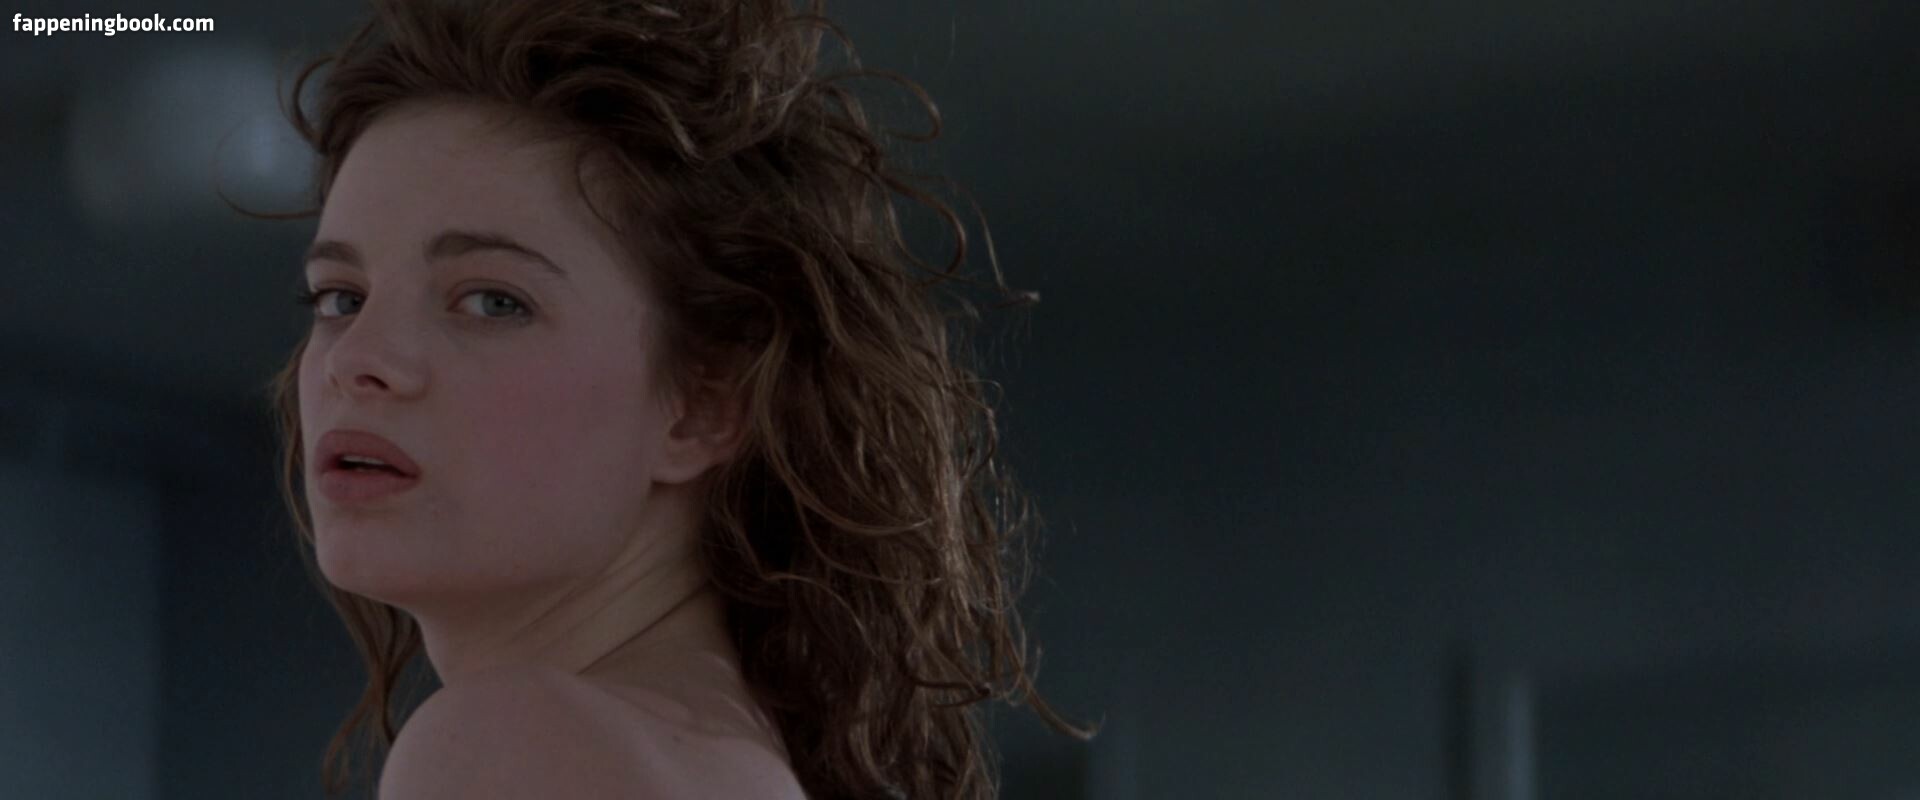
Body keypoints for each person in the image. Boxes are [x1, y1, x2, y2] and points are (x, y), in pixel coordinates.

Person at [256, 0, 1098, 797]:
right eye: (340, 297)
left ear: (702, 405)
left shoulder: (514, 746)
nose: (356, 360)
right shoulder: (722, 752)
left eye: (492, 301)